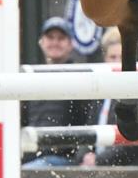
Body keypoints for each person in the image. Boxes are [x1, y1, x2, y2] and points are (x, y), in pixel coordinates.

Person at [21, 17, 97, 168]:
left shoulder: (80, 78)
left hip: (64, 159)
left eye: (61, 38)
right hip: (29, 156)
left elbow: (89, 121)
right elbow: (22, 120)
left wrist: (82, 154)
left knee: (17, 177)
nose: (55, 43)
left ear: (71, 45)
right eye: (50, 37)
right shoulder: (31, 77)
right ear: (41, 42)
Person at [81, 28, 138, 167]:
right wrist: (84, 156)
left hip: (129, 172)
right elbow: (88, 130)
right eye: (112, 57)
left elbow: (133, 144)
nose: (117, 63)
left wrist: (98, 160)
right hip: (94, 168)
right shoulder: (99, 93)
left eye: (122, 57)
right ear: (104, 59)